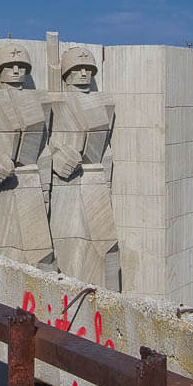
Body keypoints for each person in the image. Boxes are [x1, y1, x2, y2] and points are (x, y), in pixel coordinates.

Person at [0, 44, 55, 266]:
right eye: (10, 65)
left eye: (21, 66)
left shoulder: (39, 99)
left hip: (30, 179)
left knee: (40, 256)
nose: (17, 70)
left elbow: (46, 144)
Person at [47, 47, 120, 289]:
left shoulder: (104, 103)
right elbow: (44, 143)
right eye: (77, 69)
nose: (84, 74)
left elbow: (106, 151)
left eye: (88, 69)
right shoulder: (55, 103)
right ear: (66, 73)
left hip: (95, 182)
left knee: (105, 249)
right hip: (64, 187)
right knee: (66, 251)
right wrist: (56, 154)